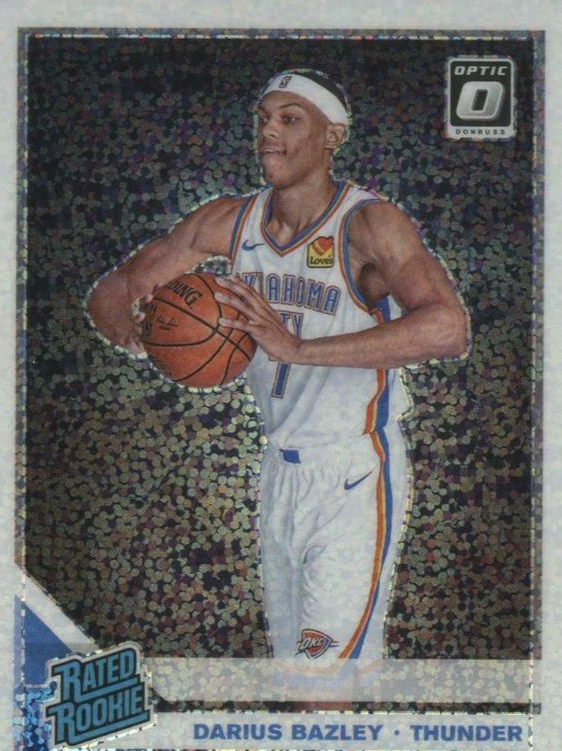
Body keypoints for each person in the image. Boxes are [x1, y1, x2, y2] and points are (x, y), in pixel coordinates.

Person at [88, 69, 468, 665]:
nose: (269, 131)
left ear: (332, 136)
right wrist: (132, 331)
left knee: (323, 681)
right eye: (264, 118)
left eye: (290, 119)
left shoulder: (368, 223)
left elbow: (448, 328)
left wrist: (298, 349)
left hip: (353, 472)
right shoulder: (229, 221)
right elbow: (113, 288)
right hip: (279, 473)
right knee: (296, 675)